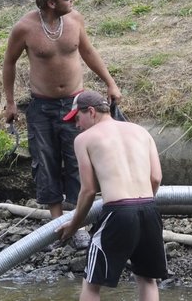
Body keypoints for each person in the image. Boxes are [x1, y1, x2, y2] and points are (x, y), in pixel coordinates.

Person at [2, 0, 122, 223]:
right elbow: (9, 63)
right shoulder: (24, 28)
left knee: (78, 160)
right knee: (45, 162)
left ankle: (80, 220)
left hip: (75, 104)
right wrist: (10, 102)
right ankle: (58, 222)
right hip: (41, 105)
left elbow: (88, 52)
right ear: (51, 3)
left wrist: (110, 83)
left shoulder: (75, 19)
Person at [57, 90, 167, 300]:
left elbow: (88, 190)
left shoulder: (84, 139)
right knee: (147, 279)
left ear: (91, 112)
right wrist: (141, 202)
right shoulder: (141, 131)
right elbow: (156, 178)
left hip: (118, 213)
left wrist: (73, 226)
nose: (77, 125)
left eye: (77, 118)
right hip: (150, 209)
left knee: (91, 283)